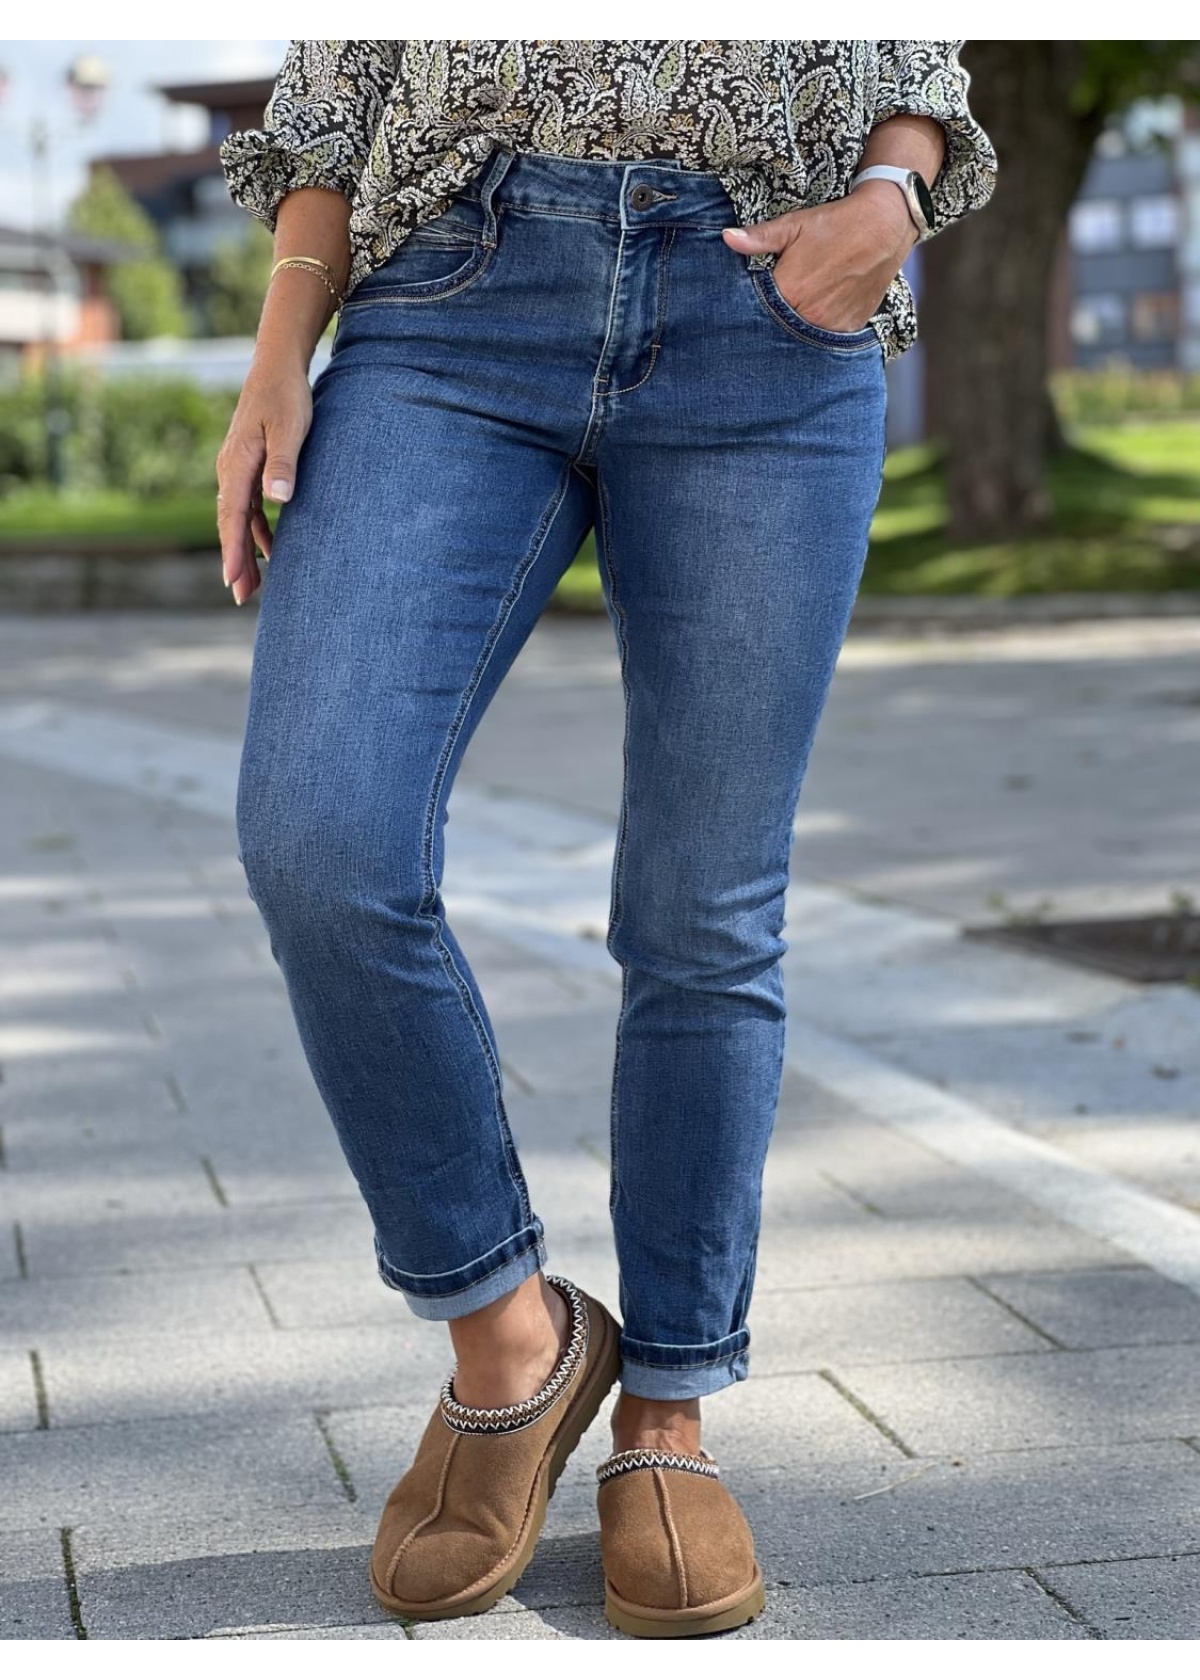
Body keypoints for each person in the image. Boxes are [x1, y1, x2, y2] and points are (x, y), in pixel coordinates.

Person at [216, 40, 995, 1638]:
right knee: (320, 832)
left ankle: (672, 1419)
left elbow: (919, 39)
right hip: (451, 299)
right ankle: (513, 1340)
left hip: (770, 302)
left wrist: (892, 194)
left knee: (704, 910)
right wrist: (281, 342)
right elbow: (341, 76)